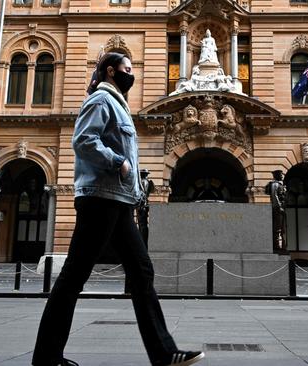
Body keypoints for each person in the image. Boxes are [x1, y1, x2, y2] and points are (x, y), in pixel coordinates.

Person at [32, 52, 205, 366]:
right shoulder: (101, 100)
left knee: (141, 272)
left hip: (119, 200)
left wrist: (135, 188)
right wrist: (118, 162)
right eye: (127, 69)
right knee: (74, 276)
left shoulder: (118, 104)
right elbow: (83, 140)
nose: (131, 74)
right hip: (101, 198)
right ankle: (46, 358)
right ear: (112, 72)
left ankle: (165, 354)